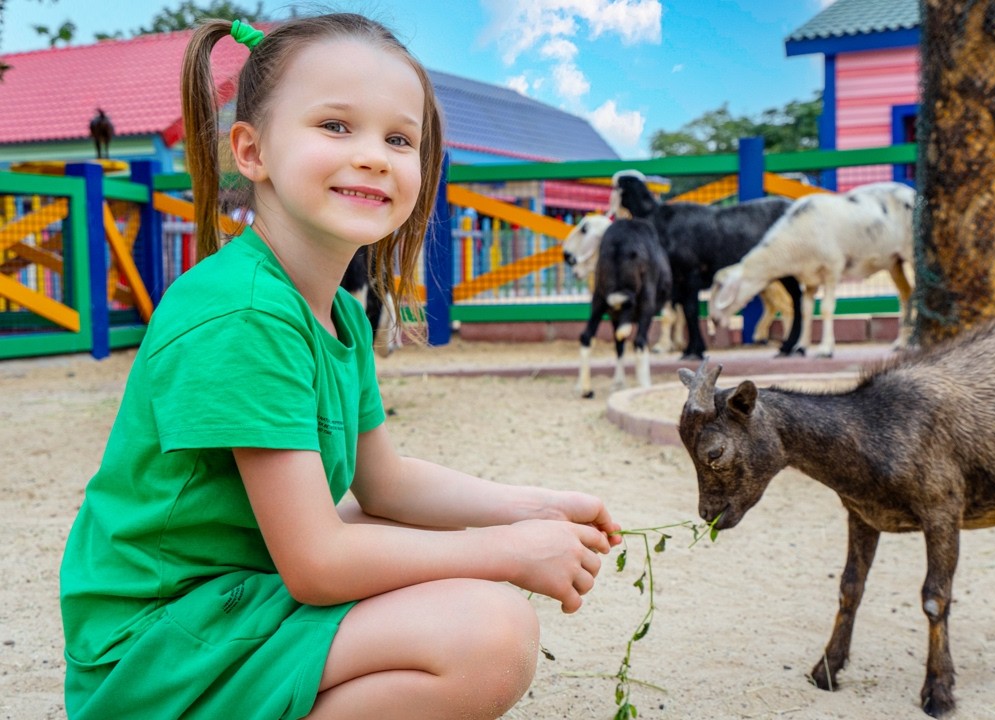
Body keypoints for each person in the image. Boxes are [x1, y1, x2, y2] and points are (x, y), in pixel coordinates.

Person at [59, 14, 620, 720]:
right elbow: (317, 564)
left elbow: (382, 483)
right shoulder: (245, 313)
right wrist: (509, 551)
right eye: (335, 126)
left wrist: (531, 507)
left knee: (388, 531)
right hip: (156, 650)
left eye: (398, 138)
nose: (375, 156)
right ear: (252, 152)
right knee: (492, 634)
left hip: (226, 603)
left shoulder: (339, 315)